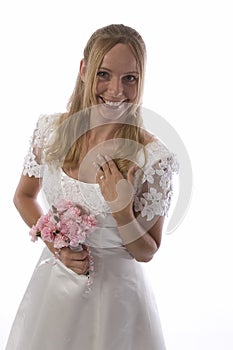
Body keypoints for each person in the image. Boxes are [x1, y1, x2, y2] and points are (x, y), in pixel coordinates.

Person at [6, 24, 178, 350]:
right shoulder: (50, 131)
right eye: (104, 74)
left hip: (118, 302)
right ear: (84, 70)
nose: (116, 90)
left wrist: (122, 211)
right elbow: (23, 196)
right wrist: (56, 247)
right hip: (53, 290)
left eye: (130, 78)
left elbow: (147, 251)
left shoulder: (152, 158)